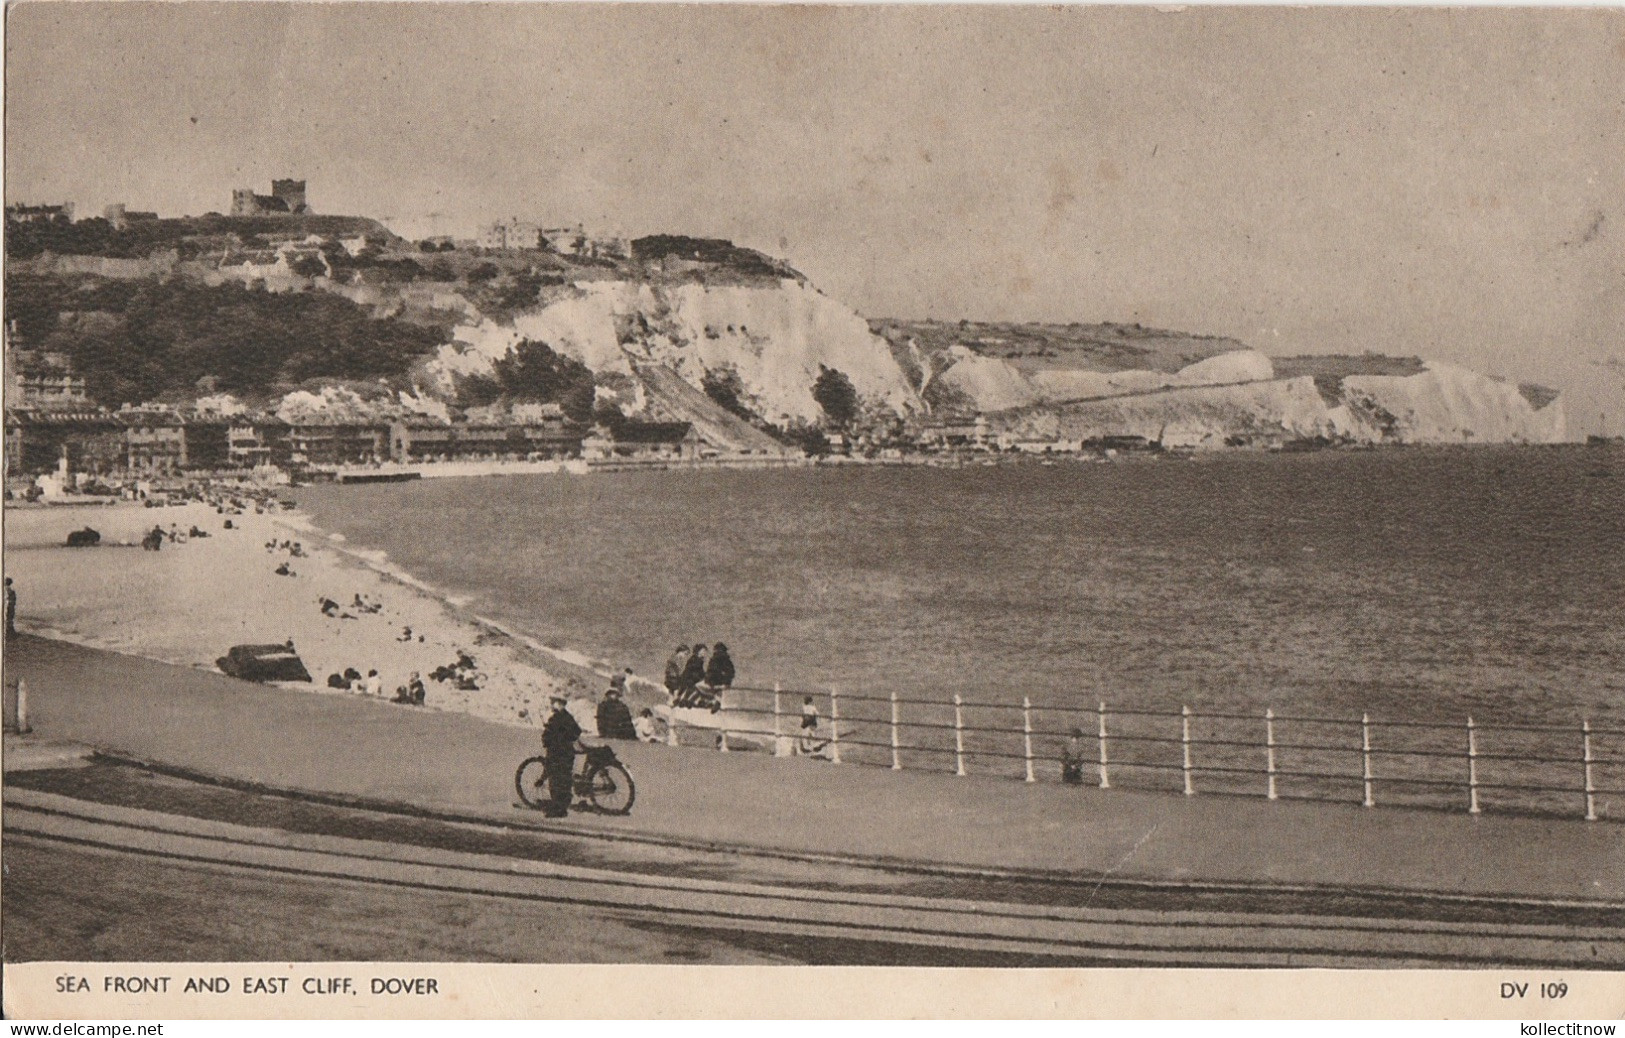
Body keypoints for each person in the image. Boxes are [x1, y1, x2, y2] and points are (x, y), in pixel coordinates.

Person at [541, 694, 583, 817]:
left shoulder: (556, 718)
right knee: (565, 781)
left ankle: (558, 809)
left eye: (553, 702)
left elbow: (548, 735)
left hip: (557, 753)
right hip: (567, 752)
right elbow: (577, 732)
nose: (551, 704)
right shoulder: (568, 717)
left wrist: (552, 741)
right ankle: (562, 807)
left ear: (560, 704)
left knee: (556, 781)